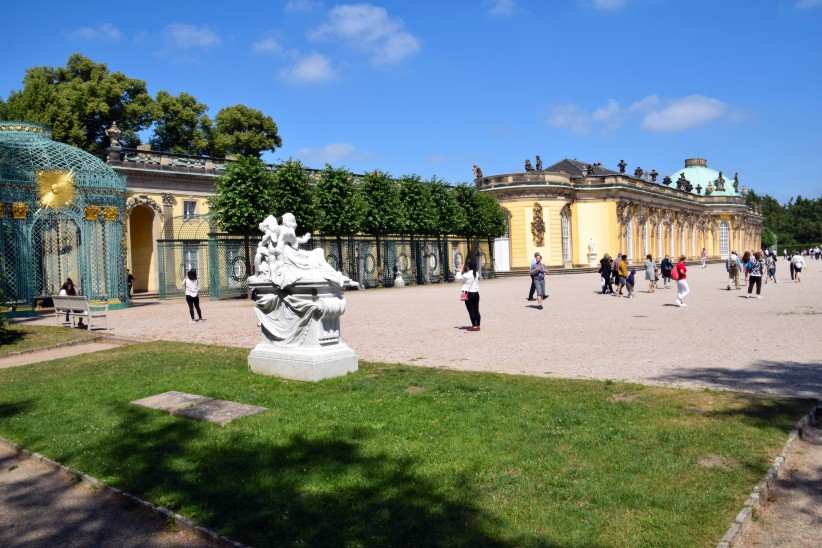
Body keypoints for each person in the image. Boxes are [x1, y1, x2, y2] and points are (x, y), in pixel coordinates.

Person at [456, 258, 481, 331]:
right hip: (476, 293)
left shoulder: (467, 274)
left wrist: (460, 269)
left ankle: (474, 326)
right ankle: (478, 325)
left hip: (469, 293)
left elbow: (457, 278)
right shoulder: (476, 273)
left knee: (471, 310)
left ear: (469, 266)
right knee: (476, 310)